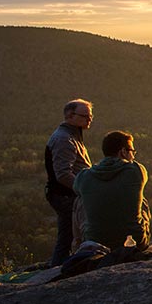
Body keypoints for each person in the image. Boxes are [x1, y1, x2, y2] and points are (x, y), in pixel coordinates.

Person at [74, 130, 150, 251]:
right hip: (134, 242)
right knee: (141, 199)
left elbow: (76, 189)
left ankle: (79, 247)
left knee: (79, 200)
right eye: (132, 151)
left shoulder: (84, 176)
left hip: (96, 242)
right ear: (123, 152)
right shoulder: (137, 171)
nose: (134, 155)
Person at [44, 99, 93, 265]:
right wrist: (84, 190)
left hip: (67, 194)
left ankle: (59, 267)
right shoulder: (64, 139)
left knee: (67, 236)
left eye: (91, 115)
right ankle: (58, 271)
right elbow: (63, 174)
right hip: (66, 196)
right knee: (68, 237)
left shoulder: (72, 135)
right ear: (70, 116)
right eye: (85, 116)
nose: (90, 119)